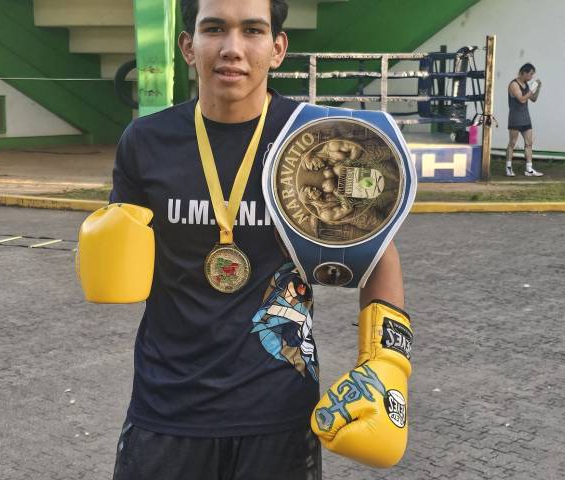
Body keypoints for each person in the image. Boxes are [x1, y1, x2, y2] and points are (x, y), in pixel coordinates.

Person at [107, 0, 409, 478]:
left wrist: (389, 365)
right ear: (188, 46)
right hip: (167, 405)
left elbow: (379, 256)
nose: (232, 48)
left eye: (252, 30)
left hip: (280, 411)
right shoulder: (145, 142)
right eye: (214, 29)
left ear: (278, 48)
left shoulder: (320, 141)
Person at [506, 63, 543, 177]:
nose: (531, 77)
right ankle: (508, 168)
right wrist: (531, 90)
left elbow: (533, 99)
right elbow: (522, 99)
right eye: (530, 74)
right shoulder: (514, 84)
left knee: (529, 143)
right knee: (512, 143)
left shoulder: (526, 84)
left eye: (533, 74)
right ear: (524, 73)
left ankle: (529, 169)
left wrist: (537, 88)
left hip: (525, 117)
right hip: (515, 118)